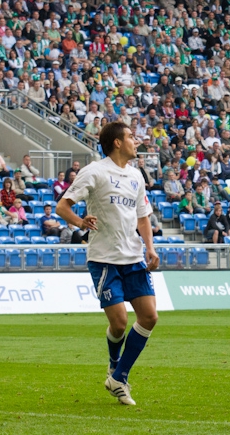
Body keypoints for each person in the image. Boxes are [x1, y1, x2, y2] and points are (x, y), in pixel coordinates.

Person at [56, 122, 159, 406]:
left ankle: (118, 376)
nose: (135, 141)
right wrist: (80, 222)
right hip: (104, 259)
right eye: (130, 137)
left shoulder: (136, 175)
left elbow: (142, 217)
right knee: (119, 323)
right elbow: (62, 206)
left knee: (149, 317)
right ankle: (115, 366)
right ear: (117, 142)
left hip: (133, 257)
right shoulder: (95, 171)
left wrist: (150, 248)